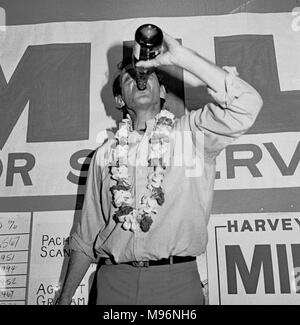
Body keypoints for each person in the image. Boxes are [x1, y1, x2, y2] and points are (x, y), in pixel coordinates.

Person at [56, 31, 263, 305]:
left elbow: (247, 104)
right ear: (120, 100)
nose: (139, 79)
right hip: (113, 283)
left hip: (176, 281)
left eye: (148, 74)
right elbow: (86, 237)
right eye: (129, 78)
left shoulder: (191, 135)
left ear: (163, 91)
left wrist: (182, 58)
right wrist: (64, 298)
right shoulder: (104, 156)